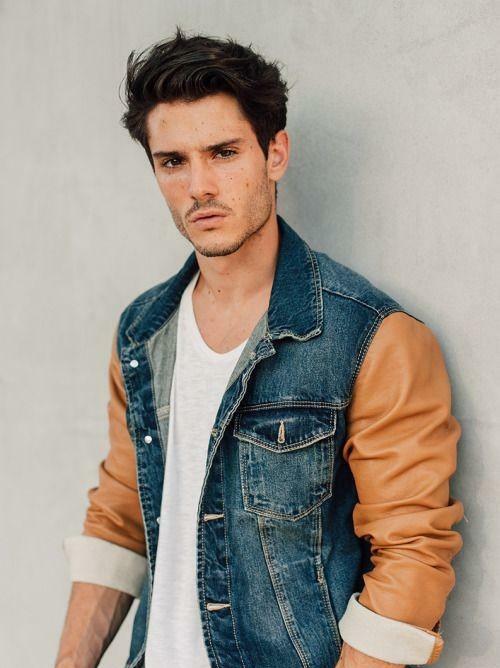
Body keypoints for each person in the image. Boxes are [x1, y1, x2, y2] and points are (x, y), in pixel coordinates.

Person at [55, 27, 463, 668]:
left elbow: (412, 557)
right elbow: (120, 515)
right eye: (173, 161)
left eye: (223, 152)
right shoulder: (142, 331)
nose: (199, 186)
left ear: (275, 153)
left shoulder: (373, 337)